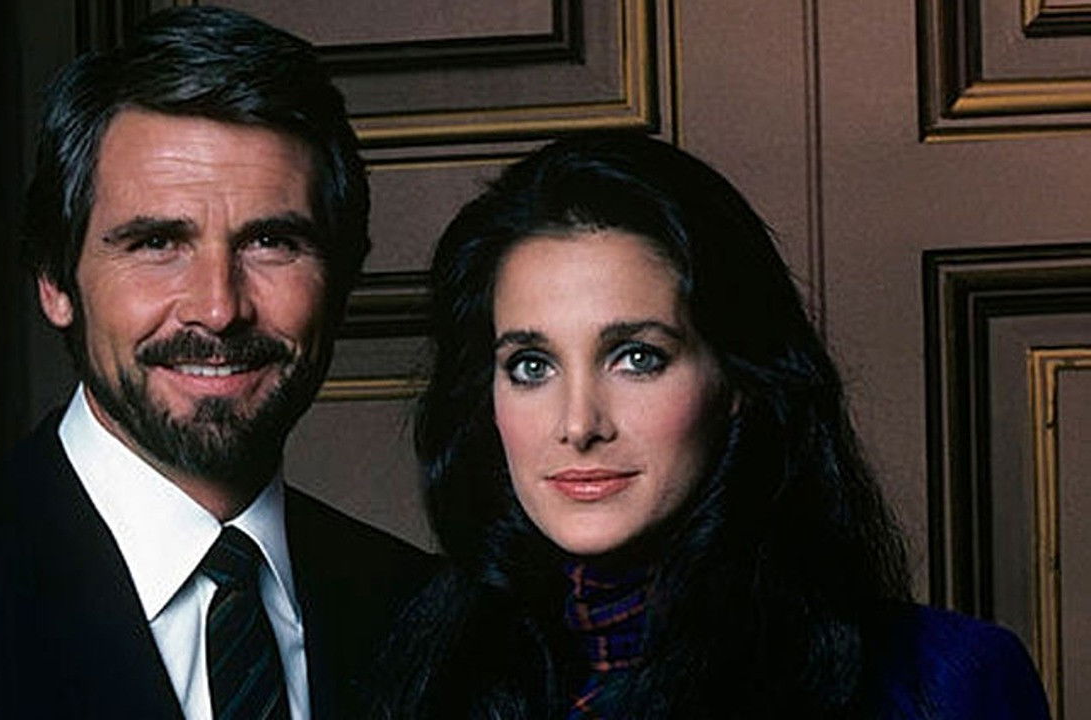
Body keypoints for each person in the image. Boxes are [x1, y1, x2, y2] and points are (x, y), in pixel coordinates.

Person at [0, 7, 431, 719]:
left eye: (271, 243)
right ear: (55, 282)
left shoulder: (428, 619)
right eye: (156, 244)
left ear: (342, 277)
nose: (218, 308)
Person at [373, 133, 1050, 718]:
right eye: (530, 366)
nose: (578, 424)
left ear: (738, 381)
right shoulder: (417, 673)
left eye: (637, 358)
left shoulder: (944, 683)